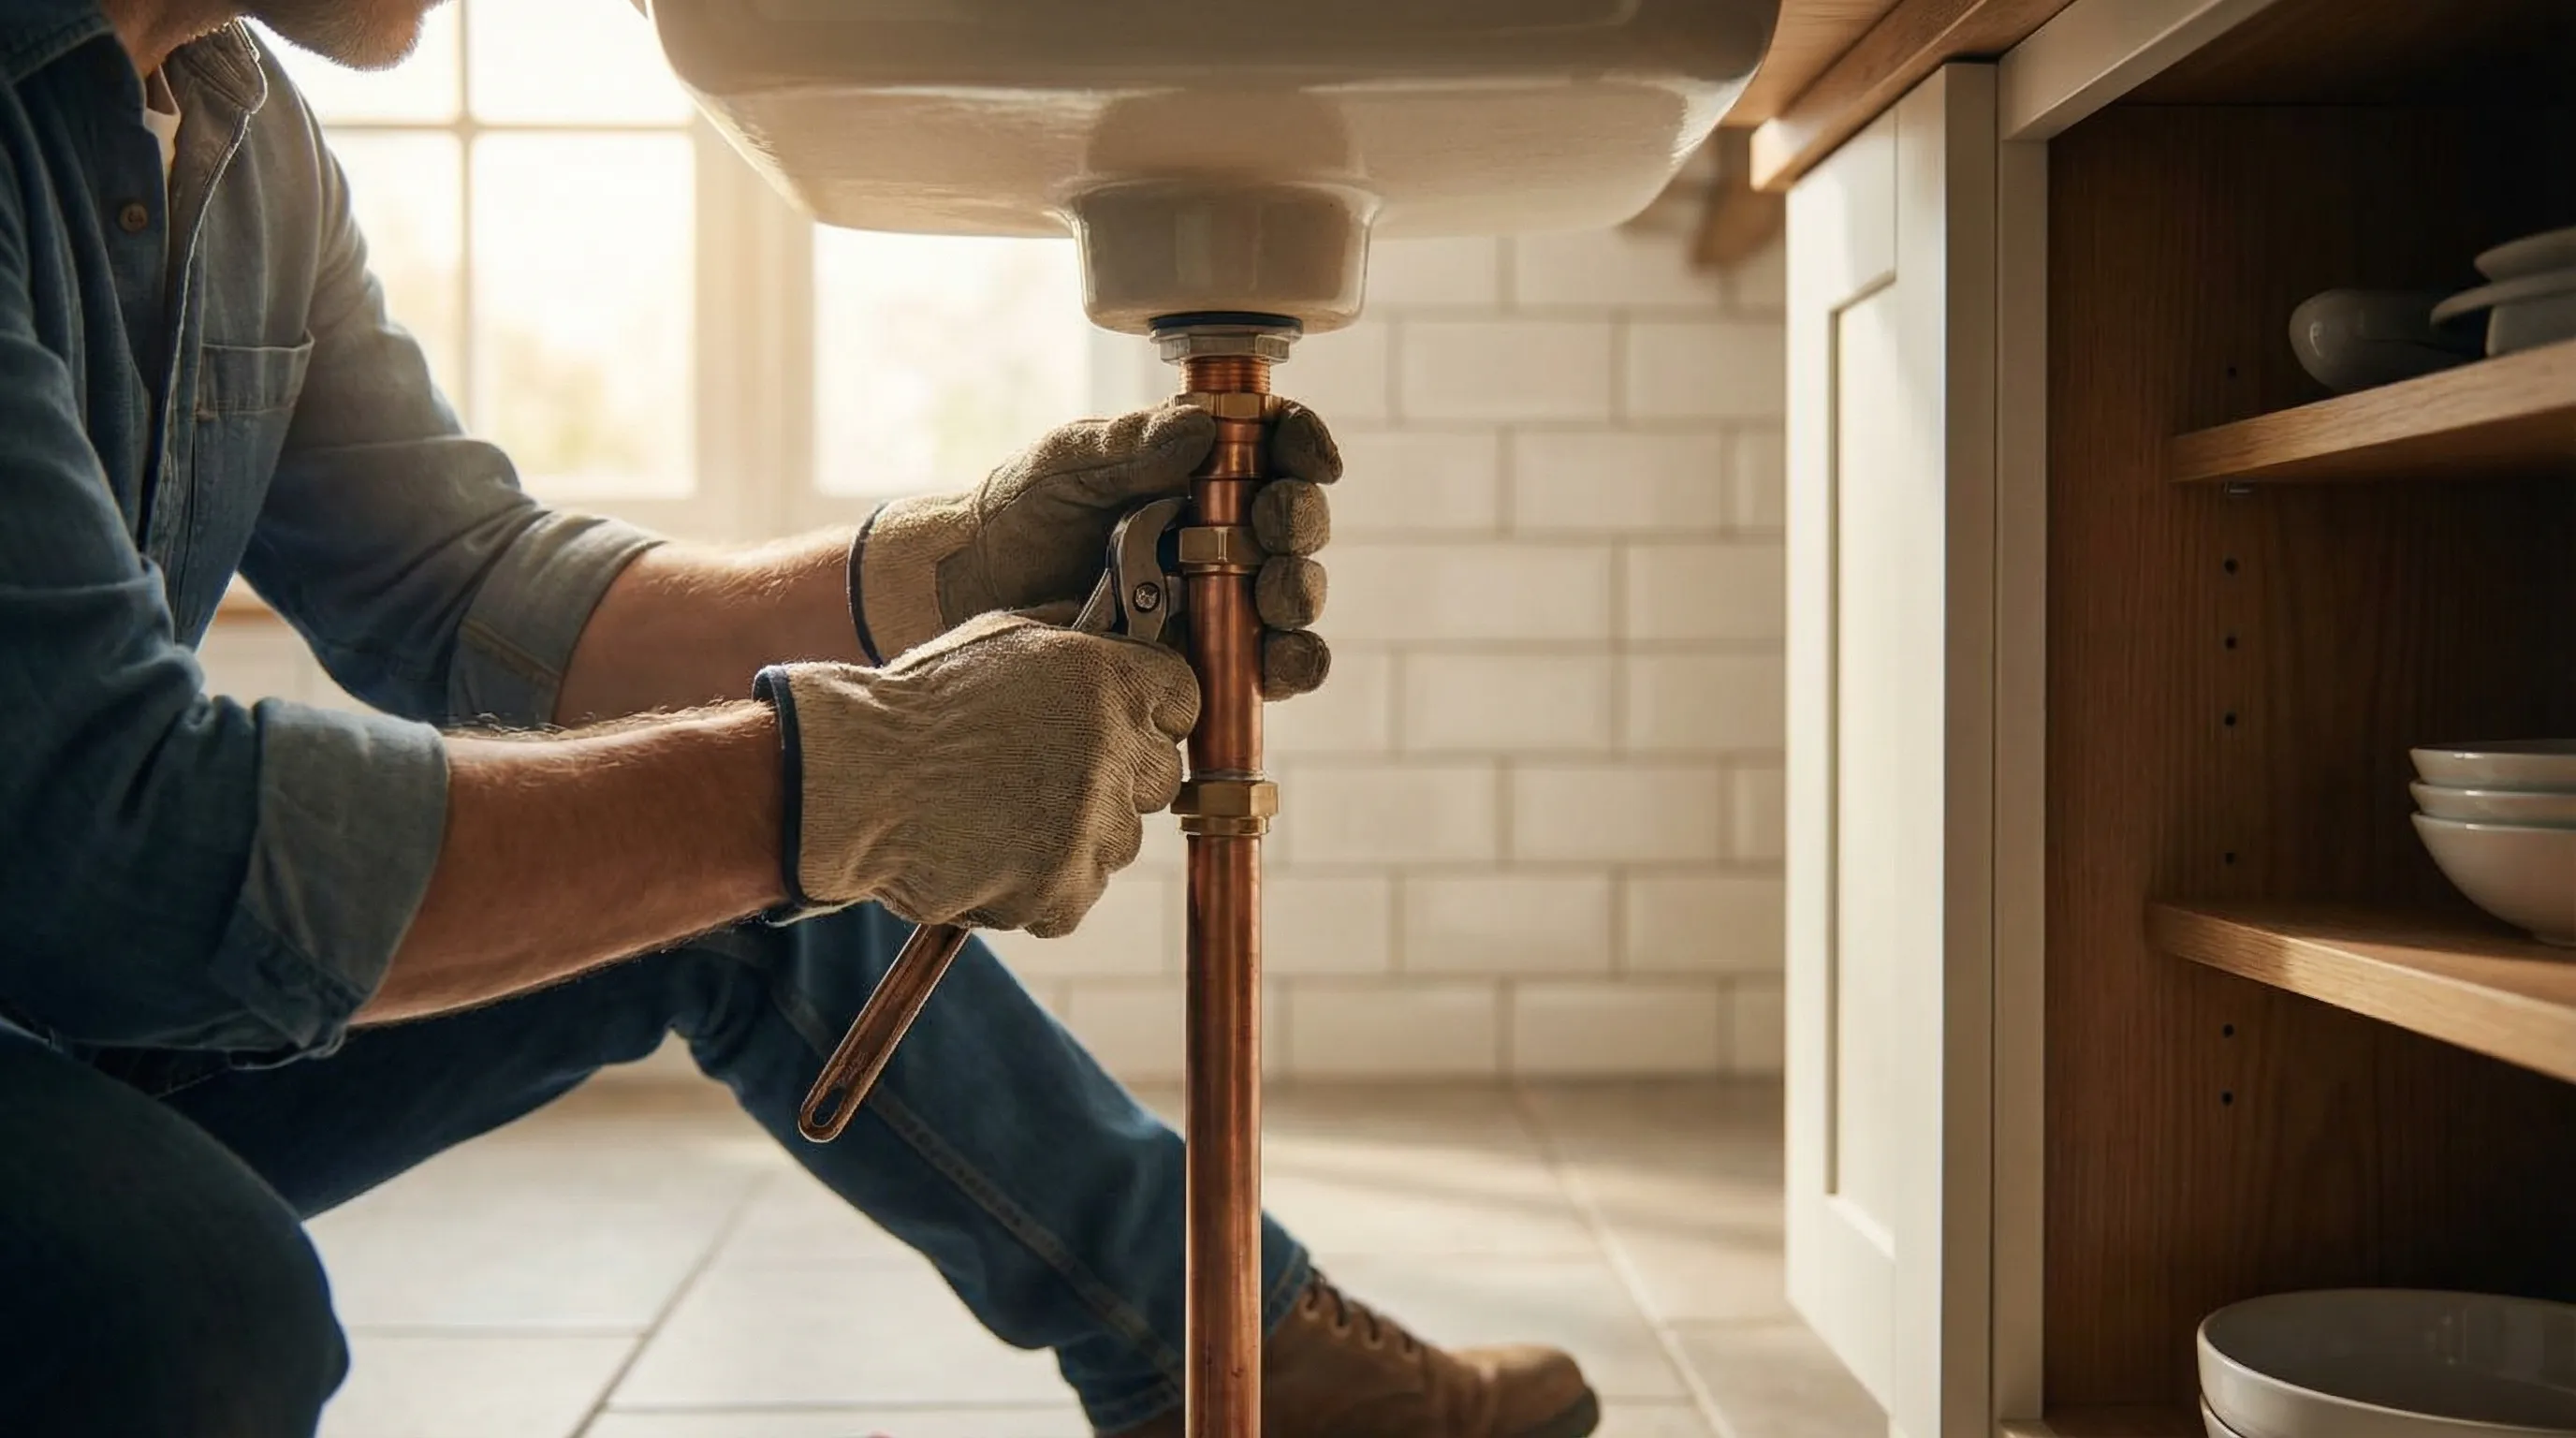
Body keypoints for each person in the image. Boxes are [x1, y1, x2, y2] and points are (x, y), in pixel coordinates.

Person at [0, 0, 1610, 1435]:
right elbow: (113, 838)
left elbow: (466, 585)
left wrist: (936, 572)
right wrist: (845, 770)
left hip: (64, 980)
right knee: (190, 1325)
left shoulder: (236, 132)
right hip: (65, 945)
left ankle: (1229, 1346)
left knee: (717, 855)